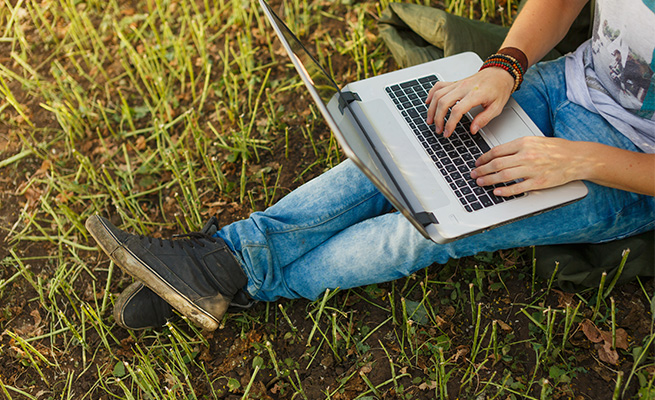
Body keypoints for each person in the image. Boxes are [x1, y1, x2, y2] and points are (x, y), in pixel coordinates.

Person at [87, 0, 655, 331]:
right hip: (561, 81)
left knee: (433, 226)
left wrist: (580, 159)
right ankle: (223, 260)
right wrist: (504, 65)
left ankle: (234, 278)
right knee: (393, 149)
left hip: (623, 169)